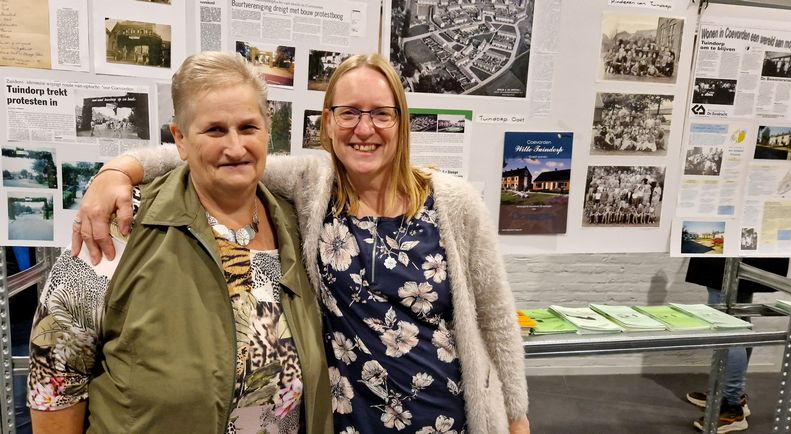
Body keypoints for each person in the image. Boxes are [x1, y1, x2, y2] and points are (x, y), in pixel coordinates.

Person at [73, 53, 531, 434]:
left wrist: (516, 418)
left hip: (444, 416)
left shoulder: (453, 203)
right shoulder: (314, 187)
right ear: (327, 123)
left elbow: (494, 319)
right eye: (348, 113)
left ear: (401, 122)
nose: (364, 128)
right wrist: (119, 169)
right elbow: (214, 150)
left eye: (380, 114)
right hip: (351, 420)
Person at [28, 51, 332, 434]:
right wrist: (115, 171)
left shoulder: (296, 225)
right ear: (180, 140)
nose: (235, 147)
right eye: (215, 130)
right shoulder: (123, 226)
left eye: (248, 127)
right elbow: (55, 373)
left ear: (267, 132)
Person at [685, 257, 789, 433]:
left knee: (727, 327)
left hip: (727, 253)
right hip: (750, 250)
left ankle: (731, 407)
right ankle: (728, 394)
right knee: (737, 318)